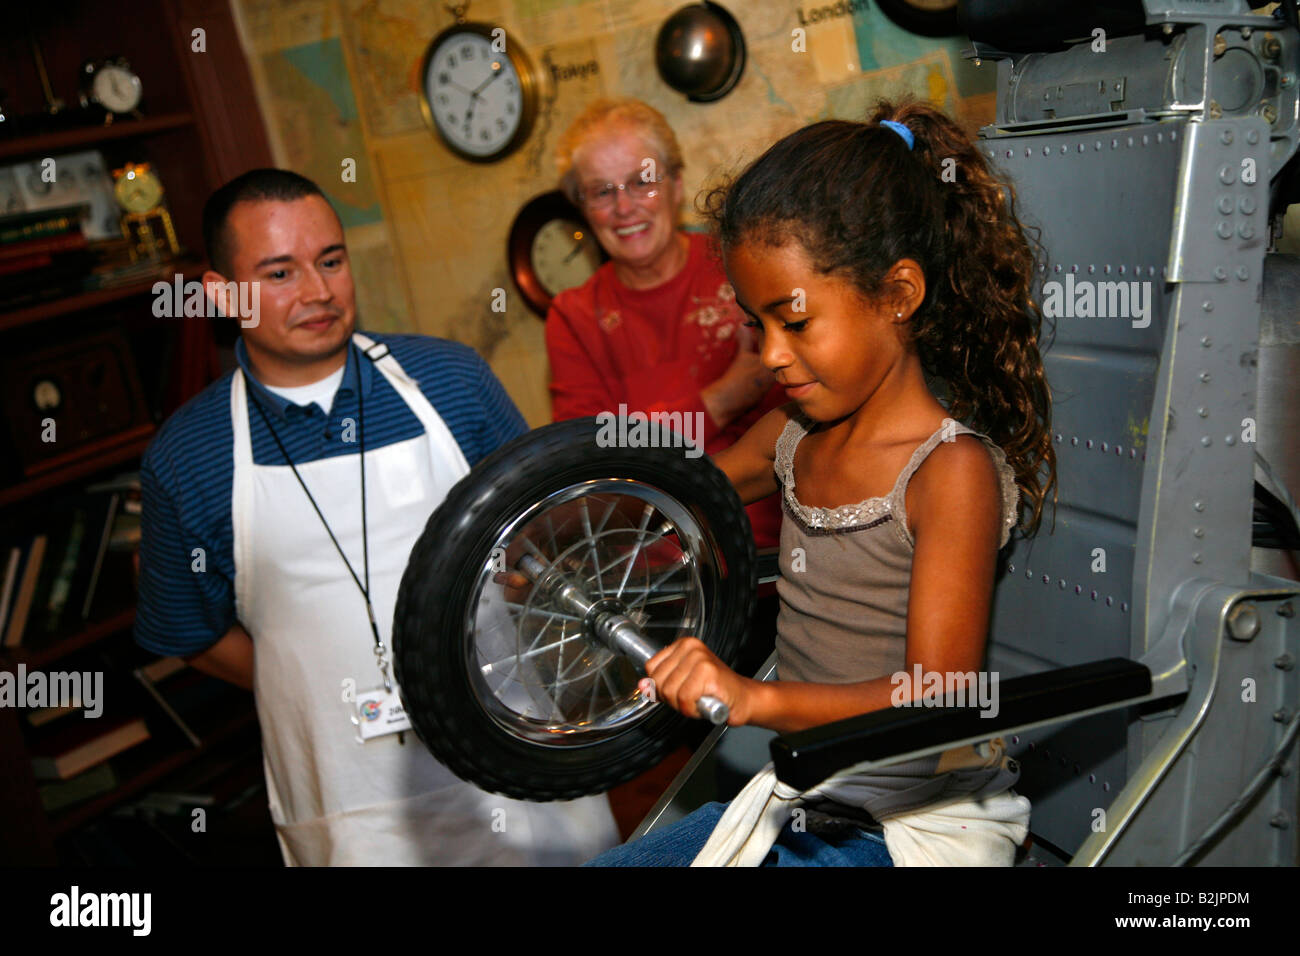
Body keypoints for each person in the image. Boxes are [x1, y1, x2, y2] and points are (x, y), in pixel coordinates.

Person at [587, 100, 1058, 866]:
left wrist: (753, 697)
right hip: (806, 796)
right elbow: (693, 489)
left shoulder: (950, 471)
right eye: (757, 323)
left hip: (906, 824)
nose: (770, 355)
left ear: (898, 296)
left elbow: (939, 698)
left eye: (795, 323)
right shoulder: (795, 431)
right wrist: (568, 506)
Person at [134, 168, 619, 866]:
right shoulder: (189, 455)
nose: (318, 291)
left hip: (522, 772)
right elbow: (194, 635)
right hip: (351, 812)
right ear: (221, 294)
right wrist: (319, 675)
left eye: (330, 260)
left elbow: (536, 536)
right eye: (280, 273)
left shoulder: (452, 382)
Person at [546, 98, 786, 549]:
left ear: (676, 184)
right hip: (654, 582)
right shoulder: (574, 316)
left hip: (776, 560)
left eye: (642, 182)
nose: (624, 207)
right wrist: (718, 402)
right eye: (602, 191)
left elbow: (806, 420)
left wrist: (651, 423)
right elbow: (594, 459)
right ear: (582, 208)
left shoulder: (740, 266)